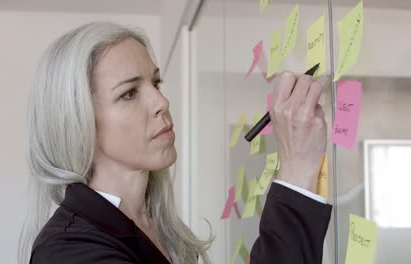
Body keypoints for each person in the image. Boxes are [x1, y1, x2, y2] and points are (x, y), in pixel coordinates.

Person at [18, 22, 332, 264]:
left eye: (155, 83)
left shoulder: (156, 225)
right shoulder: (69, 251)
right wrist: (295, 170)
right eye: (129, 93)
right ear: (77, 120)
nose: (161, 101)